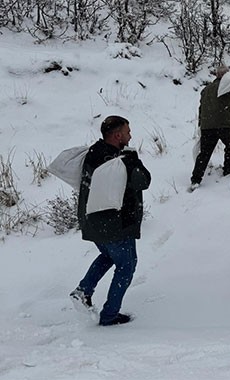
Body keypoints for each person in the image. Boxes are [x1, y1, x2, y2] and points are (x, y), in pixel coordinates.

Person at [70, 115, 151, 326]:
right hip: (115, 224)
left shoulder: (94, 153)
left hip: (92, 220)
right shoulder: (120, 161)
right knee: (126, 266)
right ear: (117, 135)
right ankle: (110, 315)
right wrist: (134, 161)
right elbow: (143, 181)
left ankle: (83, 291)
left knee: (107, 255)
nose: (130, 135)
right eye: (127, 132)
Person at [190, 66, 230, 191]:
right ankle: (227, 171)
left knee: (204, 154)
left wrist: (202, 124)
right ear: (226, 76)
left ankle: (195, 179)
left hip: (207, 126)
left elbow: (201, 108)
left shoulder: (205, 90)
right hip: (224, 124)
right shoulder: (227, 87)